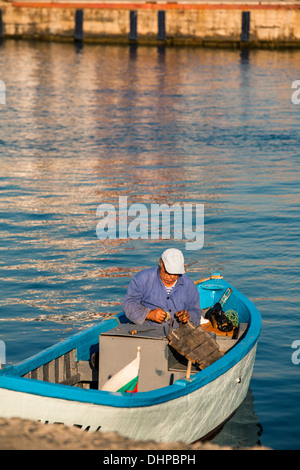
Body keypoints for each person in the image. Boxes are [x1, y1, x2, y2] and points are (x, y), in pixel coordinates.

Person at [122, 248, 202, 329]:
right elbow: (128, 304)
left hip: (179, 332)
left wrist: (188, 317)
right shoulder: (143, 278)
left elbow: (196, 312)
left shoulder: (188, 284)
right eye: (168, 272)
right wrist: (149, 314)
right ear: (161, 263)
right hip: (147, 331)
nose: (172, 277)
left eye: (176, 273)